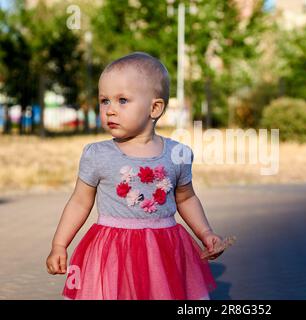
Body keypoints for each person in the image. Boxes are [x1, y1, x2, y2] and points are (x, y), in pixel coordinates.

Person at [46, 52, 223, 300]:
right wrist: (59, 244)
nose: (110, 110)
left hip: (163, 252)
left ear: (155, 108)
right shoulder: (98, 154)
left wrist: (205, 233)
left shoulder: (177, 155)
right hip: (112, 251)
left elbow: (186, 198)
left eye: (122, 100)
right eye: (104, 101)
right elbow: (79, 201)